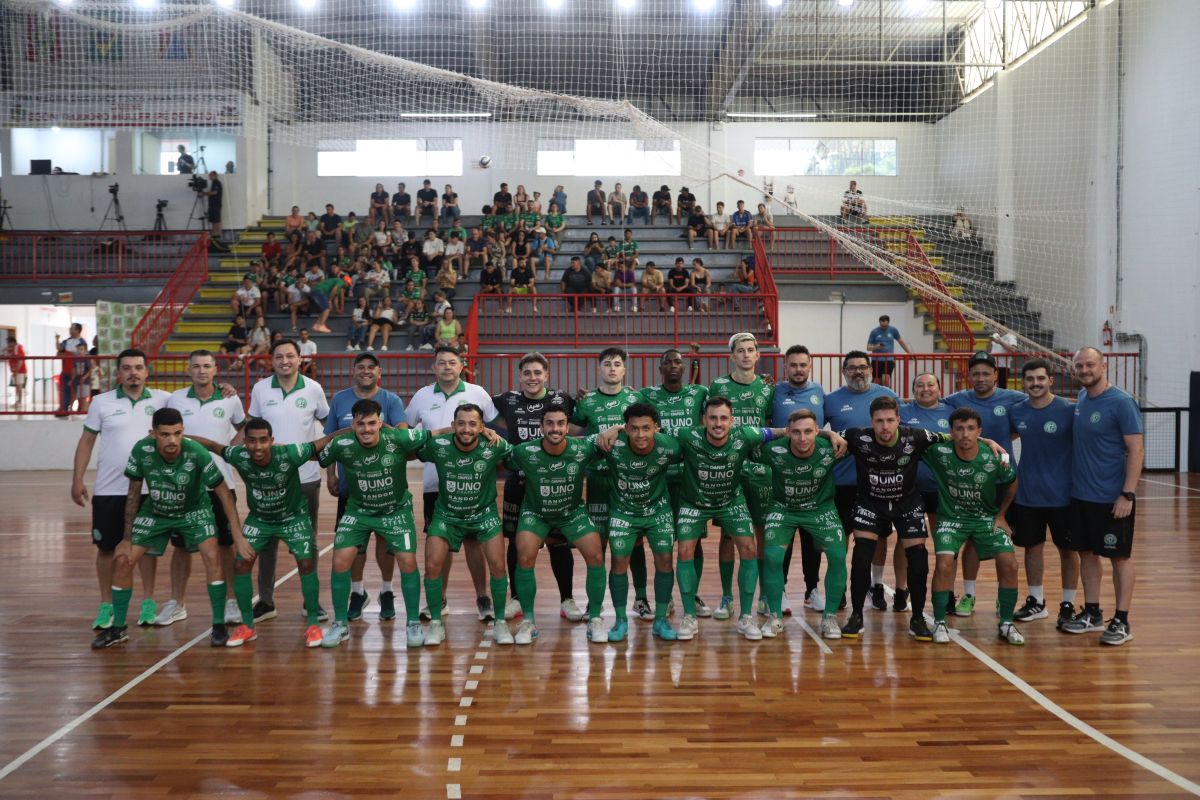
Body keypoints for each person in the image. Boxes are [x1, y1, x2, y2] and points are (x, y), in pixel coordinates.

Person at [90, 408, 245, 650]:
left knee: (213, 555)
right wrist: (127, 538)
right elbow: (133, 494)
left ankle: (218, 625)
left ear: (183, 431)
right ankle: (118, 628)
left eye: (177, 433)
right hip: (156, 511)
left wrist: (237, 534)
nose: (172, 440)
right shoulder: (142, 450)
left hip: (194, 510)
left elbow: (223, 492)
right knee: (122, 560)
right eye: (165, 434)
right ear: (153, 434)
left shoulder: (196, 451)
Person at [191, 419, 342, 648]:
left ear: (272, 440)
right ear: (244, 442)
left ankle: (313, 624)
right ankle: (248, 626)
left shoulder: (290, 453)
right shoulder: (238, 455)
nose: (258, 446)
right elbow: (212, 445)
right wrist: (181, 439)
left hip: (293, 517)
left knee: (306, 562)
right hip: (260, 519)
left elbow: (326, 439)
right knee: (241, 563)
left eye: (263, 440)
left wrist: (352, 429)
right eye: (252, 441)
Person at [659, 397, 788, 641]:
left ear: (732, 421)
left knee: (749, 548)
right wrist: (617, 429)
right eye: (713, 418)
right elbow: (652, 433)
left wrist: (828, 434)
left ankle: (746, 617)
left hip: (731, 502)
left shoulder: (745, 435)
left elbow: (780, 431)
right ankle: (689, 616)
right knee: (684, 550)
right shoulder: (687, 435)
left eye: (723, 418)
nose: (718, 423)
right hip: (694, 503)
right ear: (704, 420)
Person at [318, 400, 432, 648]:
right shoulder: (342, 443)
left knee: (407, 561)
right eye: (360, 424)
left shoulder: (398, 438)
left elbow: (437, 433)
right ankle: (340, 624)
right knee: (340, 560)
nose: (366, 429)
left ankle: (413, 622)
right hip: (358, 511)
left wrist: (482, 430)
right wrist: (334, 438)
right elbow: (316, 453)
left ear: (381, 422)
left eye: (372, 423)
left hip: (395, 510)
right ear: (353, 424)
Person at [72, 349, 171, 631]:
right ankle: (106, 605)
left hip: (150, 490)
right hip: (109, 490)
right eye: (127, 368)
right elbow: (87, 441)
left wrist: (224, 389)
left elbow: (196, 395)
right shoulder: (101, 402)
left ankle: (148, 601)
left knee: (147, 549)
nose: (133, 373)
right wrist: (77, 479)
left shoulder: (164, 399)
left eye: (138, 367)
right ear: (118, 373)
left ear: (146, 372)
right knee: (106, 549)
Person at [406, 346, 500, 620]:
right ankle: (440, 599)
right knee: (441, 543)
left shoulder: (477, 393)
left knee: (473, 543)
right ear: (433, 367)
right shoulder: (422, 396)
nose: (447, 367)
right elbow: (407, 431)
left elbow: (493, 427)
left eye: (452, 362)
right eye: (441, 362)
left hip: (472, 485)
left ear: (461, 366)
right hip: (435, 484)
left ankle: (482, 597)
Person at [1059, 346, 1143, 646]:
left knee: (1120, 558)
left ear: (1103, 366)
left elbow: (1136, 450)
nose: (1084, 370)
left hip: (1112, 498)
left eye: (1090, 365)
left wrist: (1127, 494)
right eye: (1079, 366)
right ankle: (1092, 612)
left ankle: (1122, 620)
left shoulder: (1122, 402)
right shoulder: (1082, 398)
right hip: (1081, 495)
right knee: (1087, 554)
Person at [506, 407, 608, 645]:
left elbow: (609, 437)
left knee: (596, 555)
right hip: (536, 513)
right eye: (550, 423)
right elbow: (499, 456)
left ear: (568, 426)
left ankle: (595, 618)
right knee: (524, 556)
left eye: (561, 423)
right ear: (541, 427)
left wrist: (617, 427)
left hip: (572, 513)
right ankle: (529, 622)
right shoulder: (524, 451)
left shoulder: (582, 448)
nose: (555, 428)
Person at [159, 350, 247, 627]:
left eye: (206, 366)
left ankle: (231, 602)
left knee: (226, 545)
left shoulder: (230, 398)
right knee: (181, 548)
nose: (201, 370)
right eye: (196, 366)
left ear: (215, 369)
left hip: (222, 484)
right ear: (189, 370)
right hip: (184, 487)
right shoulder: (175, 399)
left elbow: (244, 427)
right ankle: (177, 603)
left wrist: (228, 451)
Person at [246, 339, 330, 622]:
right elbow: (251, 429)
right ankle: (266, 601)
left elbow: (328, 427)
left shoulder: (313, 388)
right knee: (266, 543)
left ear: (300, 359)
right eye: (279, 356)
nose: (285, 361)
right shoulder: (260, 389)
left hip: (305, 478)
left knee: (307, 541)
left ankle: (311, 601)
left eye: (290, 356)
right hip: (266, 481)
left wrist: (330, 465)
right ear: (271, 360)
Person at [925, 407, 1024, 645]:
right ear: (951, 432)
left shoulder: (996, 456)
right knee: (944, 562)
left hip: (985, 518)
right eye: (959, 429)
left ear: (980, 431)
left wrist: (1001, 515)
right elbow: (910, 439)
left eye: (971, 429)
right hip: (951, 519)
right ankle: (939, 621)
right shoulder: (938, 451)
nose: (965, 434)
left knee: (1010, 563)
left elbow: (1012, 482)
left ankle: (1007, 622)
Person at [491, 353, 578, 623]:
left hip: (554, 484)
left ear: (546, 375)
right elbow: (479, 411)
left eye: (538, 372)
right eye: (527, 373)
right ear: (520, 376)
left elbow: (585, 417)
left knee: (557, 541)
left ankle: (567, 600)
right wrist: (488, 431)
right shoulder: (507, 400)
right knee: (517, 543)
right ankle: (516, 599)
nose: (532, 377)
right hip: (519, 484)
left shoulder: (561, 399)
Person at [416, 405, 512, 645]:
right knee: (432, 565)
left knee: (498, 566)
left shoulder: (494, 445)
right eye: (461, 423)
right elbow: (409, 447)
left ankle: (500, 622)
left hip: (484, 515)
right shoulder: (438, 446)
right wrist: (438, 432)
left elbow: (516, 457)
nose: (466, 429)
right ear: (453, 425)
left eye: (472, 424)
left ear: (481, 427)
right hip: (446, 516)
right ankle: (436, 623)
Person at [325, 352, 408, 623]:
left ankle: (386, 590)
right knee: (355, 545)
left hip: (385, 487)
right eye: (360, 367)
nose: (365, 371)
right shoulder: (340, 399)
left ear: (379, 372)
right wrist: (330, 474)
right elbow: (330, 439)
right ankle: (358, 592)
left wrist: (379, 430)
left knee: (385, 543)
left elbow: (403, 432)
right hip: (351, 487)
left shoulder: (391, 400)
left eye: (371, 367)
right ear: (354, 371)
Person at [943, 350, 1026, 616]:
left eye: (986, 373)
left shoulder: (1014, 398)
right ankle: (969, 594)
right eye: (976, 373)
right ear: (969, 376)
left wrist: (997, 445)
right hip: (969, 482)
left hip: (1002, 482)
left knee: (1004, 544)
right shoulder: (957, 399)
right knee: (971, 540)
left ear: (995, 376)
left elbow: (1020, 426)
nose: (981, 378)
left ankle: (1004, 598)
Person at [594, 404, 681, 641]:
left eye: (646, 428)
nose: (640, 434)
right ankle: (620, 621)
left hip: (658, 511)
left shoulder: (669, 446)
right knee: (619, 562)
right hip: (623, 512)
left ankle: (661, 620)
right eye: (634, 428)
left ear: (656, 428)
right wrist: (613, 429)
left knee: (665, 560)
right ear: (626, 428)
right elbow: (579, 445)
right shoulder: (612, 443)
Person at [759, 409, 848, 640]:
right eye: (796, 432)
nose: (802, 438)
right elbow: (743, 439)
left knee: (838, 555)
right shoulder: (772, 450)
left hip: (820, 509)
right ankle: (774, 616)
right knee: (772, 556)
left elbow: (861, 436)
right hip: (783, 508)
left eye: (808, 431)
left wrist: (831, 435)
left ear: (817, 431)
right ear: (788, 432)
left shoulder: (831, 447)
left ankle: (830, 617)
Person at [1006, 359, 1078, 627]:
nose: (1035, 383)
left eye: (1040, 378)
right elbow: (1008, 437)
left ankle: (1068, 604)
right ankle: (1036, 601)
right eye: (1030, 379)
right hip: (1027, 494)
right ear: (1023, 383)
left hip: (1064, 495)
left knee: (1068, 551)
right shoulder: (1017, 412)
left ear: (1050, 380)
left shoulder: (1068, 410)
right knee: (1032, 549)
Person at [824, 352, 899, 612]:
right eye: (852, 368)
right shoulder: (831, 400)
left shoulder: (887, 395)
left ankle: (876, 585)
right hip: (843, 481)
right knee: (841, 535)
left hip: (879, 481)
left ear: (871, 370)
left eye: (863, 367)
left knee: (880, 536)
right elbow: (816, 431)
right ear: (844, 371)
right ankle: (840, 586)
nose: (858, 372)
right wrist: (831, 435)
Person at [708, 332, 775, 623]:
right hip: (729, 469)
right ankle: (726, 597)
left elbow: (770, 425)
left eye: (750, 350)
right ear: (732, 356)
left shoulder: (767, 388)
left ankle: (763, 596)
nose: (746, 354)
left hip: (760, 471)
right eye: (740, 350)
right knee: (728, 534)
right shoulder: (718, 386)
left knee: (760, 532)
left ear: (757, 355)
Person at [571, 348, 642, 619]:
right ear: (599, 368)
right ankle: (595, 602)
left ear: (624, 370)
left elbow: (649, 429)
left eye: (617, 364)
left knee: (634, 542)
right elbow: (572, 433)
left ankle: (641, 599)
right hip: (598, 481)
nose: (612, 368)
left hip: (629, 480)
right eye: (607, 364)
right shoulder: (587, 401)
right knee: (598, 544)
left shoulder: (635, 398)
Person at [638, 349, 710, 616]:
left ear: (683, 367)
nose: (672, 366)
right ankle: (663, 596)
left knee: (693, 541)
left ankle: (693, 594)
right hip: (657, 479)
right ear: (660, 369)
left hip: (691, 479)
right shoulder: (646, 395)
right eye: (667, 362)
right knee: (662, 543)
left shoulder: (700, 393)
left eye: (677, 362)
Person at [770, 345, 828, 613]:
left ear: (810, 366)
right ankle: (779, 590)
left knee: (812, 538)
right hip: (782, 473)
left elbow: (820, 428)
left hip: (813, 475)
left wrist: (832, 435)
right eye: (793, 365)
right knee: (784, 538)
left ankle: (811, 590)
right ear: (785, 367)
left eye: (803, 364)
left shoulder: (820, 392)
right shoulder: (774, 391)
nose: (798, 369)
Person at [897, 372, 950, 613]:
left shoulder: (951, 411)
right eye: (920, 385)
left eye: (930, 385)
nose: (925, 389)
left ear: (939, 389)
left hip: (942, 489)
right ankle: (901, 590)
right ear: (913, 390)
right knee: (905, 540)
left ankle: (946, 591)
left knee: (944, 542)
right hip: (910, 490)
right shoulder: (903, 412)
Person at [866, 315, 911, 389]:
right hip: (876, 360)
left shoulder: (893, 330)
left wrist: (909, 353)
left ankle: (887, 395)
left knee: (886, 380)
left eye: (885, 326)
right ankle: (878, 395)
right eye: (882, 326)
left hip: (888, 360)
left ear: (888, 323)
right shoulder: (874, 332)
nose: (883, 327)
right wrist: (876, 346)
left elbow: (901, 341)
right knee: (877, 382)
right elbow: (868, 347)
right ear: (879, 323)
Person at [57, 323, 86, 416]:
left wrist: (71, 354)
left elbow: (83, 355)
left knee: (76, 391)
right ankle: (64, 408)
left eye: (72, 328)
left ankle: (77, 409)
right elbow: (59, 350)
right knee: (65, 390)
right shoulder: (67, 341)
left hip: (77, 371)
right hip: (65, 370)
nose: (70, 330)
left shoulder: (82, 342)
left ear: (77, 330)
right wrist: (56, 339)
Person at [201, 171, 225, 244]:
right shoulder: (213, 183)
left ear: (215, 175)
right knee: (213, 220)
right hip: (212, 205)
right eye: (209, 176)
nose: (209, 177)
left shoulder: (217, 183)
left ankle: (218, 235)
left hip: (216, 204)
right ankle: (214, 234)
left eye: (211, 175)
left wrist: (203, 193)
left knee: (217, 220)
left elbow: (214, 192)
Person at [5, 337, 28, 408]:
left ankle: (19, 402)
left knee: (19, 387)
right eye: (8, 343)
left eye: (9, 343)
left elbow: (20, 361)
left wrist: (16, 372)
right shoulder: (12, 350)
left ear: (13, 342)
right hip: (16, 371)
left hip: (20, 371)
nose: (8, 345)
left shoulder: (18, 347)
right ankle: (17, 402)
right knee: (17, 387)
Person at [71, 343, 94, 412]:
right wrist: (72, 379)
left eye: (81, 349)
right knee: (79, 398)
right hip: (78, 382)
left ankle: (84, 412)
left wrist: (84, 378)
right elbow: (74, 370)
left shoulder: (86, 359)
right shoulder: (76, 359)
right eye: (78, 349)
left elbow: (90, 370)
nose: (80, 351)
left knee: (84, 398)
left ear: (85, 351)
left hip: (85, 382)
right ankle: (81, 411)